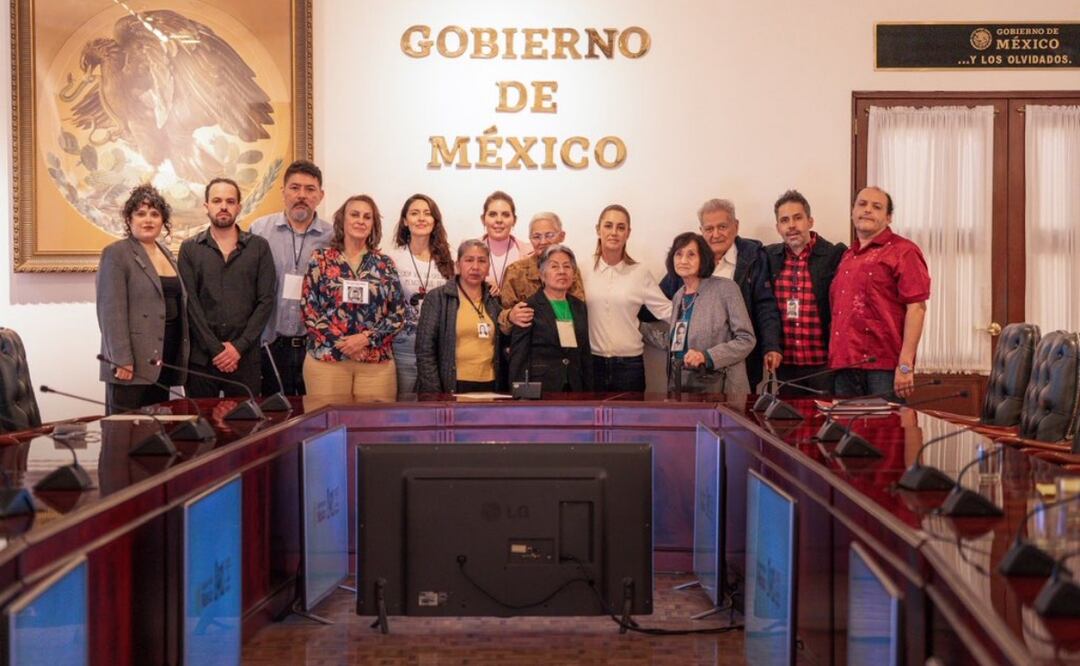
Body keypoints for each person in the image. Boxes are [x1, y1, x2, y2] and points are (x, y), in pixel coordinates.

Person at [660, 199, 781, 390]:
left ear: (736, 226)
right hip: (684, 381)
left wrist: (771, 346)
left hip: (726, 377)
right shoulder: (679, 293)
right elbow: (655, 305)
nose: (715, 234)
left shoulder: (746, 267)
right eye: (709, 229)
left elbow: (763, 310)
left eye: (722, 226)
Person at [301, 195, 406, 401]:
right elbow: (309, 308)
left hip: (375, 363)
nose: (361, 220)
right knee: (328, 429)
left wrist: (365, 339)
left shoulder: (384, 264)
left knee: (372, 429)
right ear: (342, 220)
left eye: (367, 217)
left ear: (373, 224)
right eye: (355, 214)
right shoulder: (321, 259)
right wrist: (344, 344)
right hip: (327, 360)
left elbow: (398, 315)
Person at [178, 178, 276, 398]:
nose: (223, 206)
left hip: (246, 357)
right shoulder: (189, 249)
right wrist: (217, 349)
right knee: (201, 428)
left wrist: (238, 348)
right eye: (217, 200)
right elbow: (189, 303)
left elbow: (266, 301)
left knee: (247, 427)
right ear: (207, 206)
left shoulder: (259, 247)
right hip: (202, 360)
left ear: (239, 207)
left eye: (230, 201)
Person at [830, 186, 930, 399]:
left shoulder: (904, 251)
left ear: (888, 217)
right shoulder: (848, 256)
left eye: (876, 207)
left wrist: (905, 365)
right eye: (862, 204)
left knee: (885, 431)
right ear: (852, 211)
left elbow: (917, 308)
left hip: (883, 367)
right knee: (846, 432)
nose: (867, 210)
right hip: (845, 365)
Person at [96, 184, 189, 413]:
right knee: (124, 435)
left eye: (155, 214)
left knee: (156, 436)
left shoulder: (167, 253)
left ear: (163, 221)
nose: (148, 219)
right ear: (129, 219)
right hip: (132, 364)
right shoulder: (117, 253)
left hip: (163, 360)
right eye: (140, 213)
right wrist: (121, 359)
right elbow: (110, 312)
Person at [250, 160, 333, 396]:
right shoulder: (259, 231)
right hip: (268, 345)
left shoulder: (333, 237)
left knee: (314, 418)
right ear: (283, 192)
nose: (301, 195)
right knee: (272, 419)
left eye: (310, 189)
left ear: (320, 195)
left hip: (315, 347)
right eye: (295, 188)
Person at [764, 190, 846, 396]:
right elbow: (764, 308)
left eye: (797, 218)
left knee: (826, 425)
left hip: (825, 365)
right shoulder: (768, 257)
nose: (791, 225)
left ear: (810, 221)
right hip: (786, 366)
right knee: (789, 425)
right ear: (778, 228)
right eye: (784, 220)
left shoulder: (835, 255)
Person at [584, 204, 671, 392]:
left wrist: (704, 323)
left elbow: (668, 311)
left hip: (629, 367)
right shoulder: (582, 270)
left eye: (621, 227)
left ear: (628, 233)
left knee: (629, 421)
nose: (614, 232)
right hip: (592, 364)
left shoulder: (639, 272)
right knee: (591, 421)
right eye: (608, 226)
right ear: (598, 229)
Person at [665, 232, 756, 395]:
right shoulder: (679, 296)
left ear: (703, 258)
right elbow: (677, 340)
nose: (683, 260)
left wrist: (706, 356)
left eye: (691, 254)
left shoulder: (726, 288)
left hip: (721, 388)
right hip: (682, 385)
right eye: (678, 254)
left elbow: (746, 340)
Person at [385, 194, 454, 396]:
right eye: (415, 213)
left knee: (436, 408)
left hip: (438, 347)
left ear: (435, 220)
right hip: (403, 346)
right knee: (404, 409)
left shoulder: (451, 259)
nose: (421, 218)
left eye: (427, 213)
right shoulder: (392, 259)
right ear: (405, 221)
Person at [415, 240, 503, 393]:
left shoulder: (494, 299)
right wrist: (434, 393)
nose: (475, 267)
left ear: (488, 267)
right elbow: (424, 350)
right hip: (452, 385)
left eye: (482, 261)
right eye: (469, 260)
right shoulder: (438, 298)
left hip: (491, 383)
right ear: (457, 266)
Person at [509, 245, 593, 392]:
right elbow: (519, 357)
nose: (562, 271)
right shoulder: (528, 307)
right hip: (542, 387)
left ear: (573, 274)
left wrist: (589, 391)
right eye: (554, 266)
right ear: (542, 275)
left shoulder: (579, 306)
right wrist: (521, 395)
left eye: (567, 266)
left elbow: (584, 353)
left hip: (575, 386)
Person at [496, 211, 586, 333]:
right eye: (536, 237)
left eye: (549, 235)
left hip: (566, 342)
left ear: (562, 236)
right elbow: (502, 320)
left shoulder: (569, 269)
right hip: (529, 343)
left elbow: (578, 310)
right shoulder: (516, 272)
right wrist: (510, 316)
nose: (543, 242)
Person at [479, 190, 528, 294]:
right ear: (483, 219)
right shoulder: (467, 251)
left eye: (505, 215)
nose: (499, 220)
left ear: (514, 220)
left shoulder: (529, 252)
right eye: (492, 214)